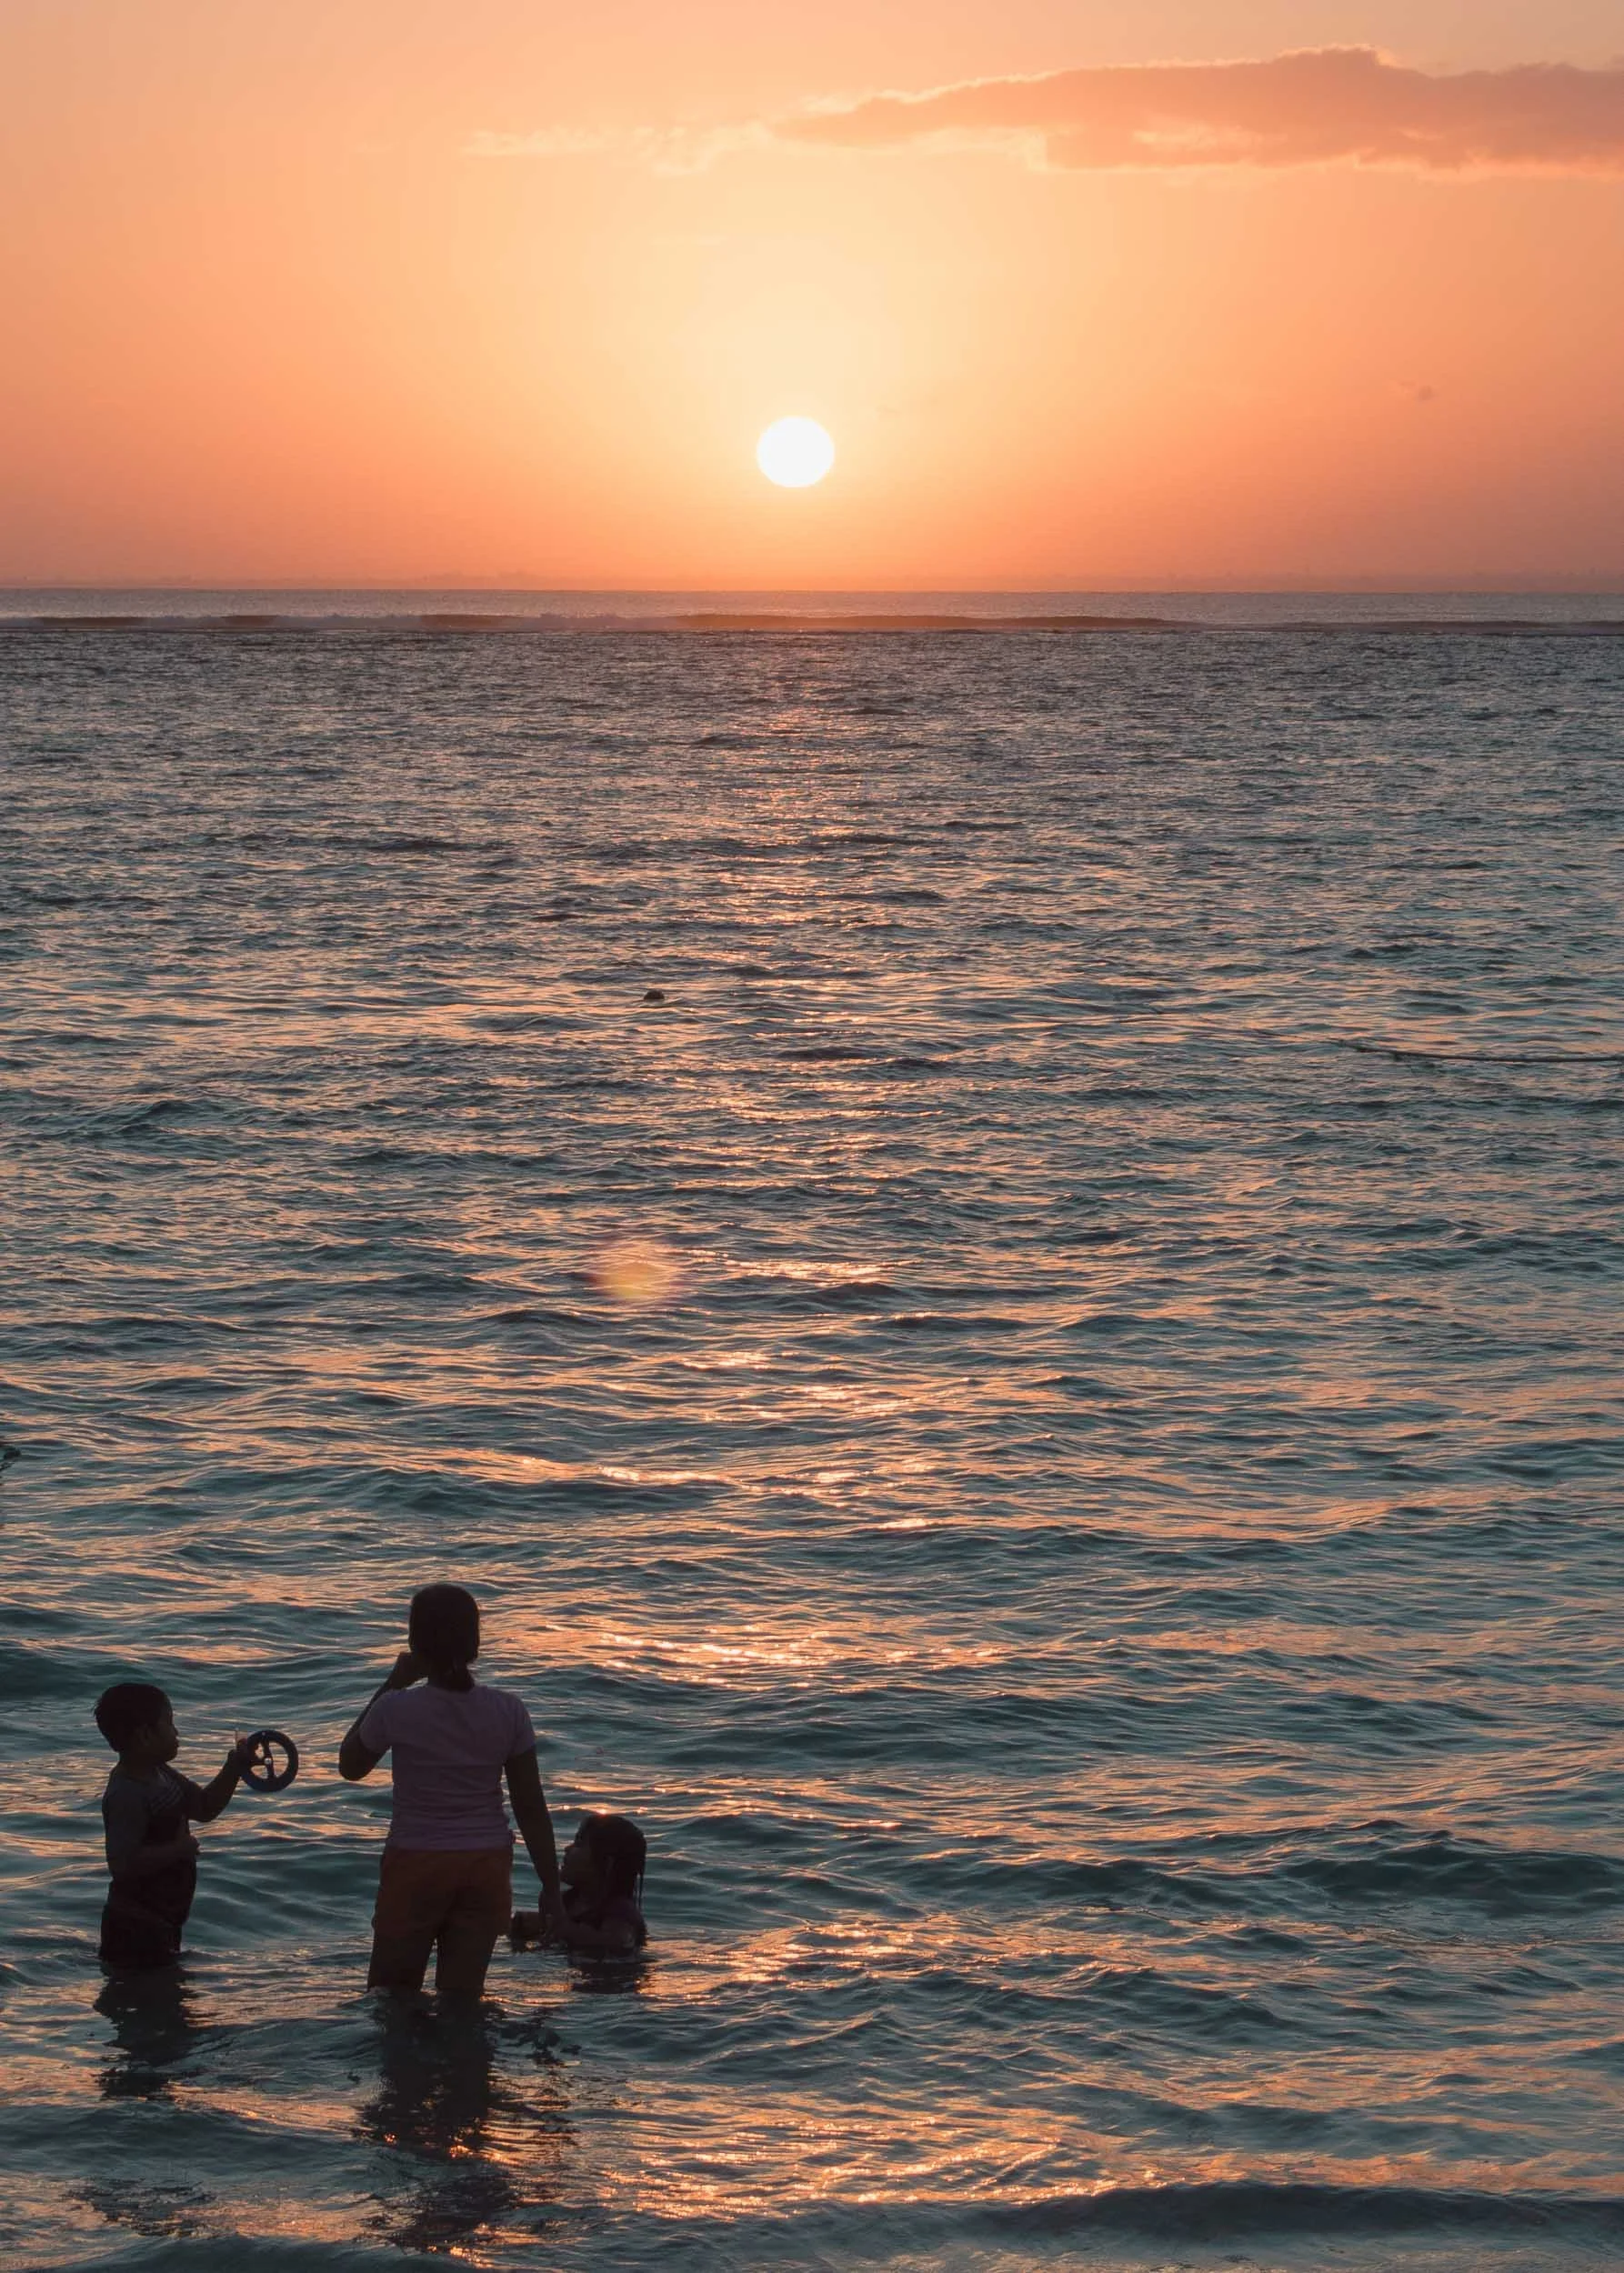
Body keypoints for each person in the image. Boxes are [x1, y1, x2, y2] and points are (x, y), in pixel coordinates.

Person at [339, 1583, 568, 1996]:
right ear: (474, 1642)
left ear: (414, 1643)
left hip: (417, 1862)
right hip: (485, 1866)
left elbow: (350, 1765)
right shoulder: (508, 1711)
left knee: (392, 1998)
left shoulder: (397, 1708)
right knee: (463, 2005)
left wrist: (393, 1682)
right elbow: (531, 1808)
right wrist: (552, 1891)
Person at [94, 1682, 254, 1971]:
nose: (176, 1732)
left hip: (164, 1920)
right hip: (134, 1926)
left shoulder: (161, 1773)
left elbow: (204, 1807)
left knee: (167, 2007)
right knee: (151, 2004)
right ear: (144, 1735)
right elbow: (122, 1863)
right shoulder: (127, 1793)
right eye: (169, 1723)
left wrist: (234, 1769)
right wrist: (180, 1848)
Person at [511, 1810, 647, 1954]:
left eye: (579, 1844)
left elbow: (619, 1942)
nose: (567, 1849)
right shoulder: (567, 1901)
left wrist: (566, 1929)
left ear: (607, 1864)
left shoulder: (620, 1911)